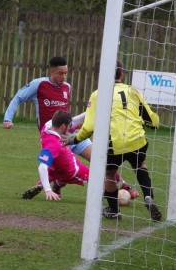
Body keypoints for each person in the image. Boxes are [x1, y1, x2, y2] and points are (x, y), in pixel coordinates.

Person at [62, 60, 162, 222]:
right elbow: (152, 119)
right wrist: (151, 124)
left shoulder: (98, 94)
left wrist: (74, 139)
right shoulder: (132, 91)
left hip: (114, 144)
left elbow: (89, 126)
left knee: (109, 174)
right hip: (137, 140)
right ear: (122, 74)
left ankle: (114, 211)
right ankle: (149, 197)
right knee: (141, 166)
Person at [3, 56, 92, 197]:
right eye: (60, 73)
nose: (64, 76)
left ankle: (121, 188)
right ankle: (54, 186)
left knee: (97, 159)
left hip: (72, 134)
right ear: (52, 71)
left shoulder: (67, 87)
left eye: (65, 73)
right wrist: (8, 119)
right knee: (67, 169)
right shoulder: (39, 85)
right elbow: (18, 97)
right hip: (53, 138)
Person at [36, 110, 140, 202]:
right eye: (69, 126)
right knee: (95, 181)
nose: (71, 126)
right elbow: (42, 166)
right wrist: (47, 190)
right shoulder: (53, 145)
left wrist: (94, 110)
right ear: (63, 127)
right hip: (67, 160)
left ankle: (55, 182)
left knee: (101, 162)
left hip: (69, 146)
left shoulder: (48, 125)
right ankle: (112, 203)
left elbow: (75, 120)